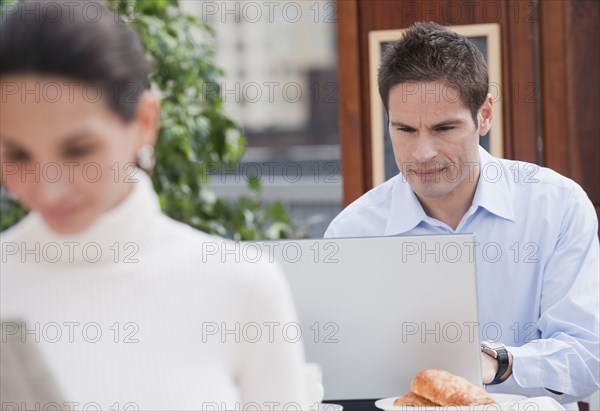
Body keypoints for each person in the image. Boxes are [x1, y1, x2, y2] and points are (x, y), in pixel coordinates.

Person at [0, 1, 312, 409]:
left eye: (78, 151)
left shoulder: (243, 285)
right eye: (17, 156)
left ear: (145, 121)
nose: (48, 190)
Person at [325, 22, 599, 408]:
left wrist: (498, 362)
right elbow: (338, 376)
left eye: (443, 128)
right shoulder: (353, 232)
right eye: (404, 128)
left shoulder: (557, 207)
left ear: (484, 116)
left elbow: (589, 359)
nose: (422, 153)